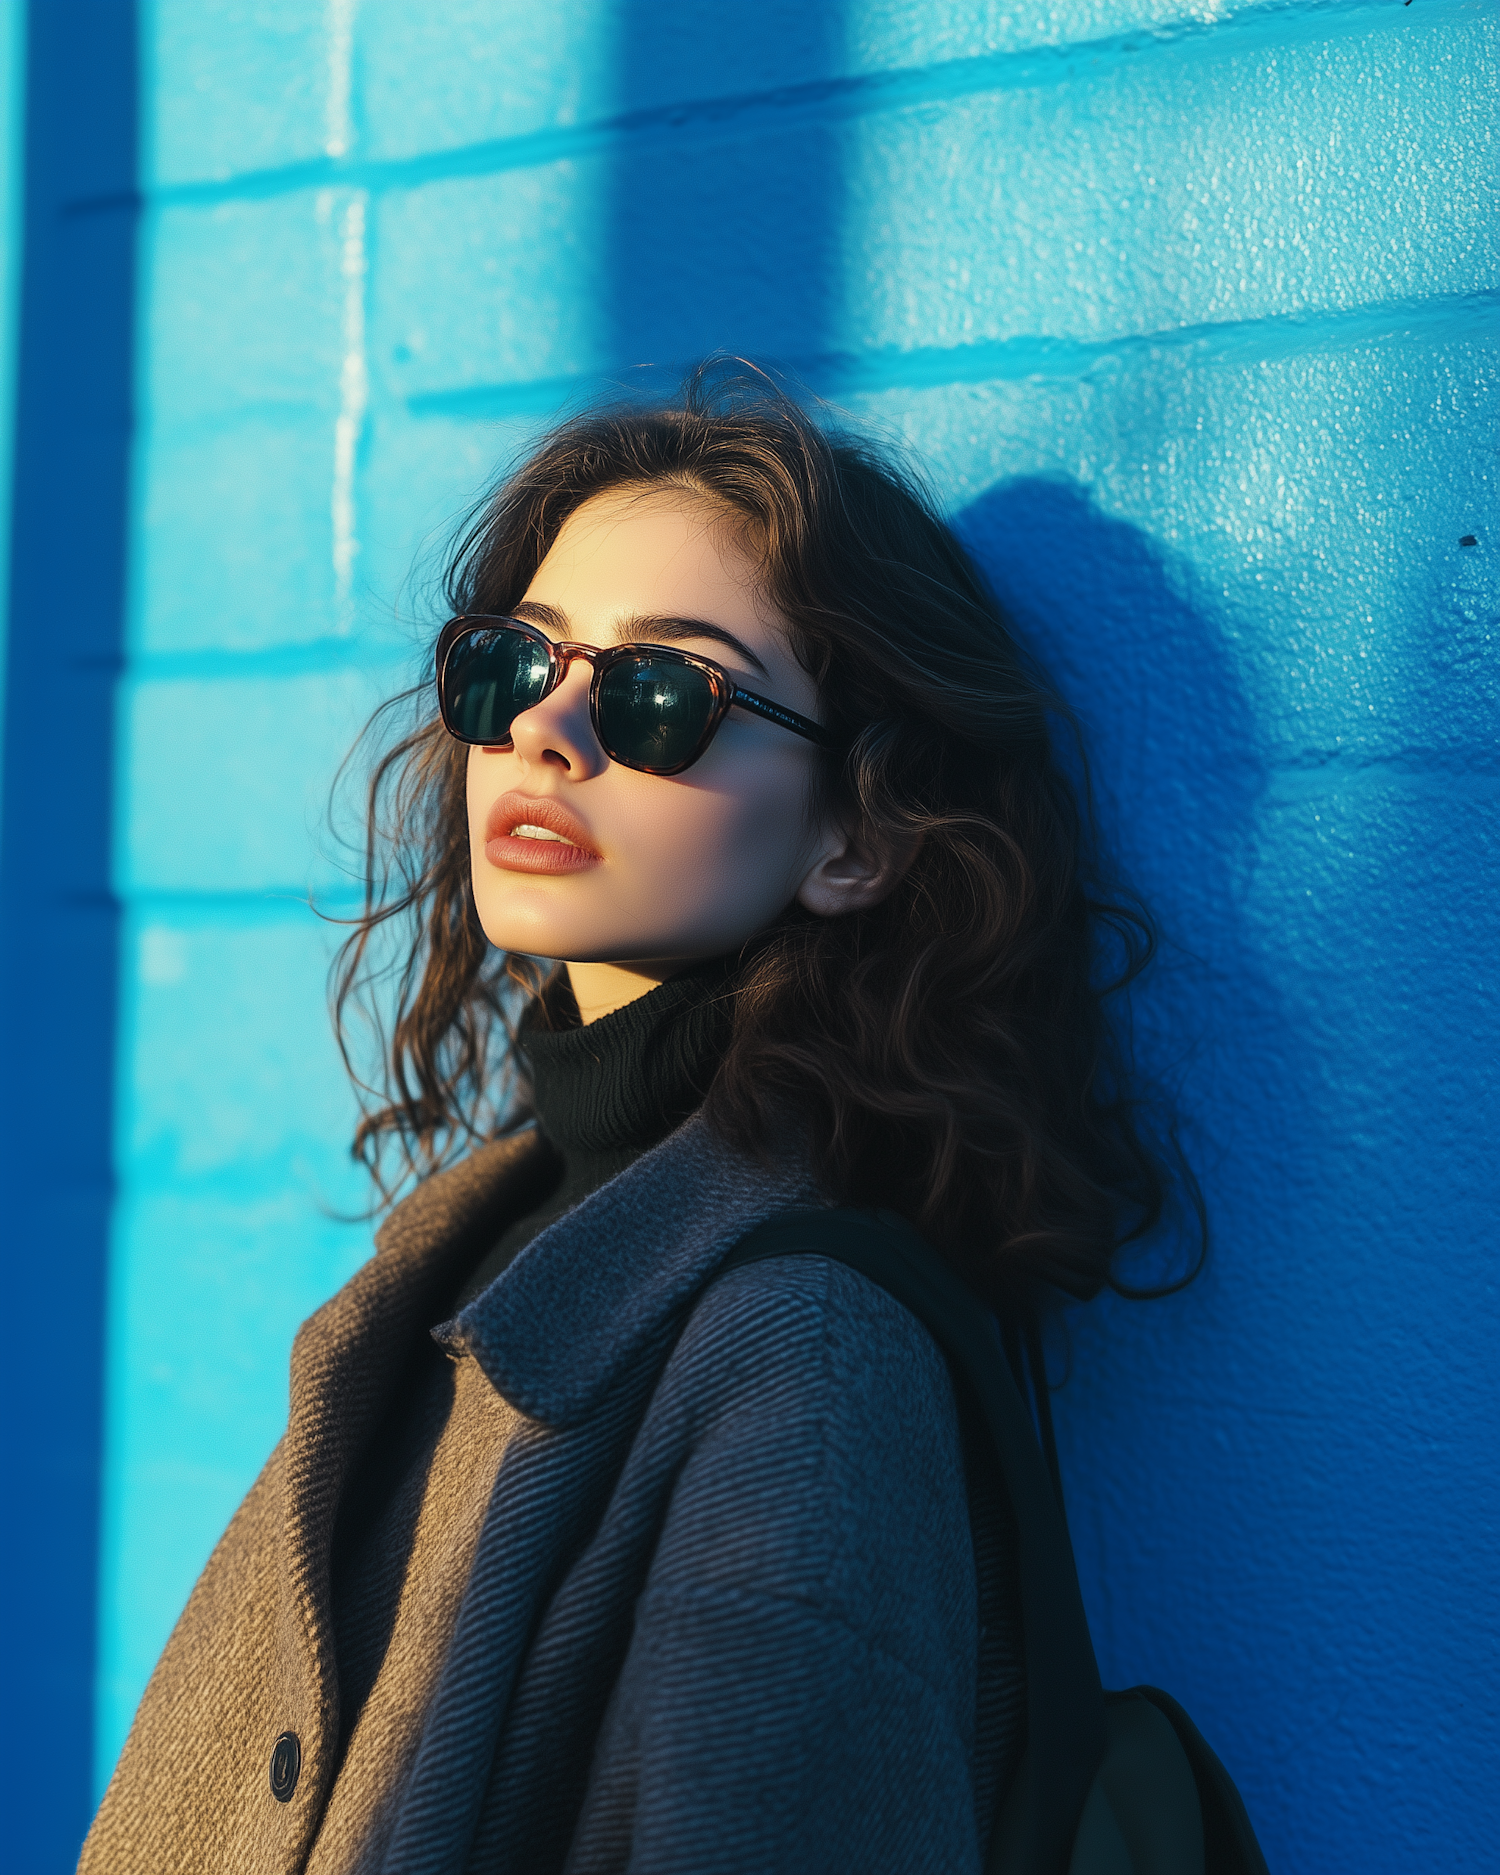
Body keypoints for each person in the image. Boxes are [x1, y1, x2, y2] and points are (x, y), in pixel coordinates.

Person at [80, 365, 1187, 1874]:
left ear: (856, 836)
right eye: (513, 667)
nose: (547, 733)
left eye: (662, 696)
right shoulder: (486, 1232)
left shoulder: (808, 1352)